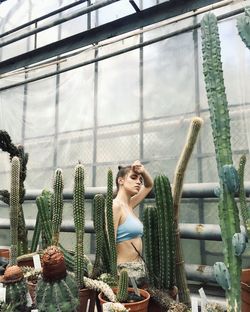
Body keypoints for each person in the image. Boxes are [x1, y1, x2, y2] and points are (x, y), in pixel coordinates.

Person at [113, 160, 153, 287]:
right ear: (121, 181)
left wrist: (142, 171)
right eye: (133, 177)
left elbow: (149, 185)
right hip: (123, 273)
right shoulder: (115, 206)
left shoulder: (129, 204)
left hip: (139, 268)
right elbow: (109, 243)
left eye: (140, 180)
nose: (138, 182)